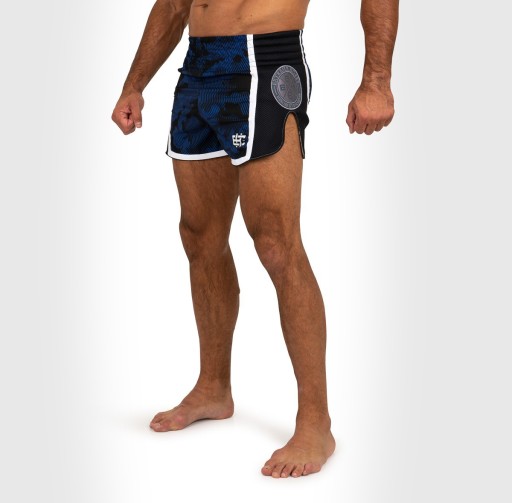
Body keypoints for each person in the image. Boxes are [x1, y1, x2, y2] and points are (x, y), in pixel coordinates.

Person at [111, 0, 398, 478]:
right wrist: (134, 84)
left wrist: (376, 81)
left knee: (277, 244)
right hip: (198, 66)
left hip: (264, 59)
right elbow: (175, 3)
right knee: (199, 236)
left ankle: (316, 422)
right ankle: (213, 387)